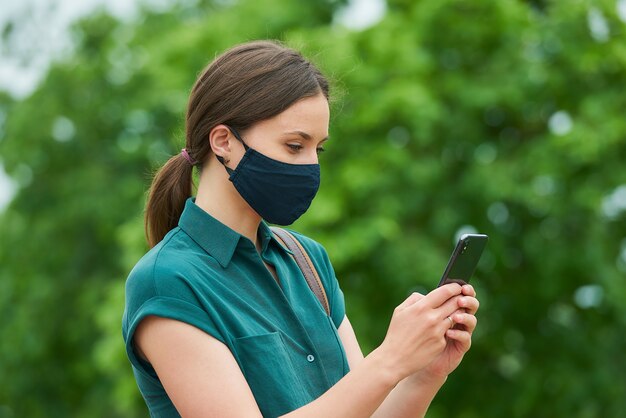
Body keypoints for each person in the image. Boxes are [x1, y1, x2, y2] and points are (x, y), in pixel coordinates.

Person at [122, 40, 480, 418]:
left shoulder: (307, 260)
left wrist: (422, 374)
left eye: (318, 150)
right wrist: (390, 358)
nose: (310, 166)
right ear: (223, 141)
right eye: (294, 146)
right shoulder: (167, 281)